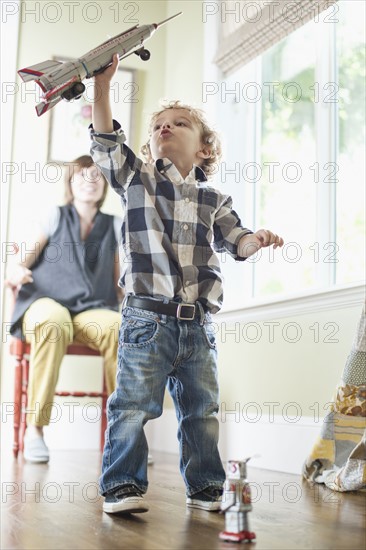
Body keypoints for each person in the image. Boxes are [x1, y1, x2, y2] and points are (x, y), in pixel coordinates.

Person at [90, 54, 284, 515]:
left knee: (202, 412)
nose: (165, 128)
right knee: (133, 407)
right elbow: (105, 143)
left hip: (198, 326)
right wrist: (101, 88)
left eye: (178, 123)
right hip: (145, 319)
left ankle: (206, 488)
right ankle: (121, 486)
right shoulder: (135, 178)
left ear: (203, 150)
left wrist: (255, 240)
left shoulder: (216, 198)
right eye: (159, 124)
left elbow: (236, 240)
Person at [6, 155, 123, 463]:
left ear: (106, 184)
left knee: (117, 327)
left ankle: (124, 433)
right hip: (44, 302)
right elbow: (21, 261)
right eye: (82, 175)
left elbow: (118, 281)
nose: (90, 180)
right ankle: (36, 429)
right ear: (70, 182)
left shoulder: (115, 225)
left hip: (90, 308)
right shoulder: (55, 216)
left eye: (97, 175)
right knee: (54, 321)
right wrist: (16, 271)